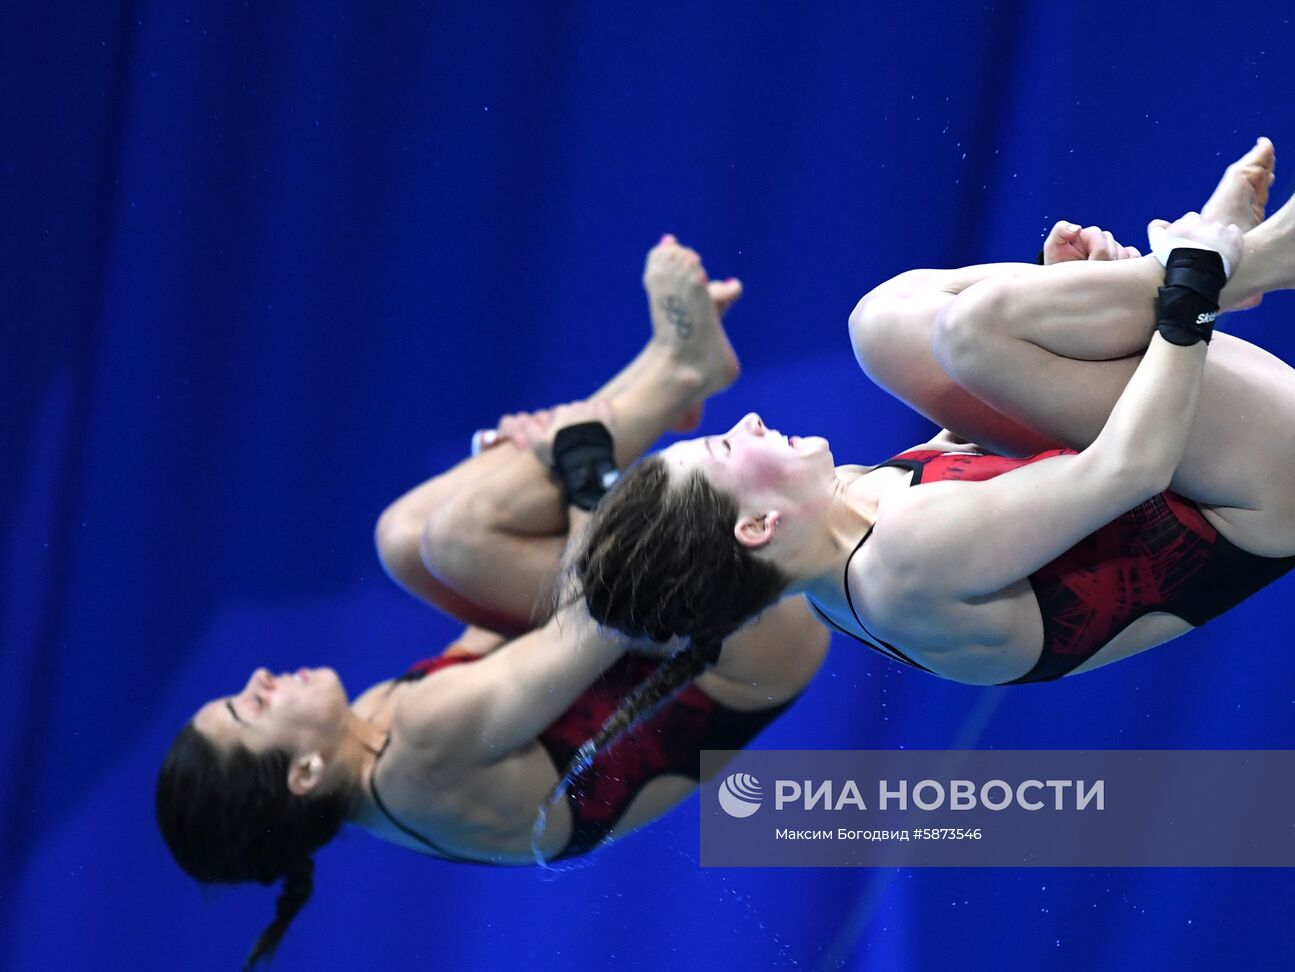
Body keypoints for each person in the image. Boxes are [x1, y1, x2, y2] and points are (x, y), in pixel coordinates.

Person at [154, 242, 830, 970]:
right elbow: (602, 614)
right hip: (739, 654)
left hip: (673, 632)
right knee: (457, 538)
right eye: (249, 710)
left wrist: (522, 474)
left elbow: (526, 613)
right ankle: (674, 370)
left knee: (410, 542)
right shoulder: (419, 744)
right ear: (303, 774)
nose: (257, 678)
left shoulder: (369, 747)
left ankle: (674, 370)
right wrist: (576, 469)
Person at [574, 123, 1295, 694]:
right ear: (756, 527)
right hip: (1279, 486)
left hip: (1188, 463)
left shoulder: (831, 524)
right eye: (724, 450)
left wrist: (1059, 300)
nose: (746, 422)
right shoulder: (905, 562)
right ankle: (1256, 257)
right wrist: (1190, 293)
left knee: (882, 329)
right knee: (980, 333)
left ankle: (1205, 269)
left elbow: (977, 447)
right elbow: (1131, 468)